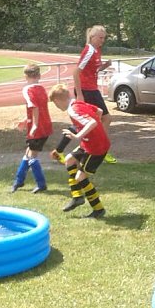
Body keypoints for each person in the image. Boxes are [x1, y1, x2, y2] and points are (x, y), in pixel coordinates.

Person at [48, 85, 109, 219]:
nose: (56, 107)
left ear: (58, 100)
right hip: (89, 142)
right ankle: (77, 197)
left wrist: (77, 136)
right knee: (69, 160)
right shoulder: (78, 103)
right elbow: (98, 111)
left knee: (80, 177)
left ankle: (98, 209)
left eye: (55, 104)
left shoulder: (73, 110)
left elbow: (92, 122)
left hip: (96, 147)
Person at [73, 25, 116, 163]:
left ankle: (96, 148)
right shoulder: (89, 51)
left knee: (98, 121)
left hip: (92, 89)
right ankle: (98, 149)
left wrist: (105, 66)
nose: (102, 41)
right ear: (92, 37)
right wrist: (79, 94)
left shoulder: (97, 50)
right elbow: (76, 72)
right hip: (86, 91)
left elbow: (94, 70)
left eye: (104, 38)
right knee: (103, 119)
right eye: (100, 38)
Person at [11, 64, 53, 194]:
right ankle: (19, 181)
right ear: (39, 76)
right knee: (28, 153)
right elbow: (39, 107)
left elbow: (34, 107)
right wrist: (26, 120)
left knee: (32, 156)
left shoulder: (27, 89)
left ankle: (41, 184)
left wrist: (34, 125)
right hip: (46, 126)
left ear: (25, 76)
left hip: (38, 128)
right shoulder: (42, 88)